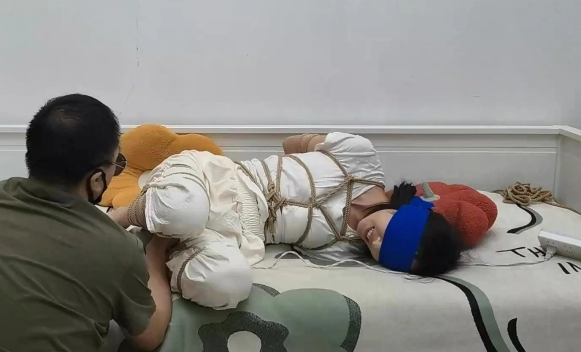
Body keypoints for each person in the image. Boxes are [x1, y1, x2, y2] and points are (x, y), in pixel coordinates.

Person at [0, 94, 173, 352]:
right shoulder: (119, 249)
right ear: (96, 180)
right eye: (116, 165)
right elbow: (149, 336)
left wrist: (119, 217)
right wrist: (156, 253)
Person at [109, 132, 463, 309]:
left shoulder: (344, 247)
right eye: (393, 238)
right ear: (408, 215)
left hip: (235, 234)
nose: (376, 243)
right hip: (216, 178)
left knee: (228, 285)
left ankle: (160, 244)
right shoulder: (360, 155)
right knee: (184, 210)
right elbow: (290, 143)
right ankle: (125, 214)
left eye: (386, 255)